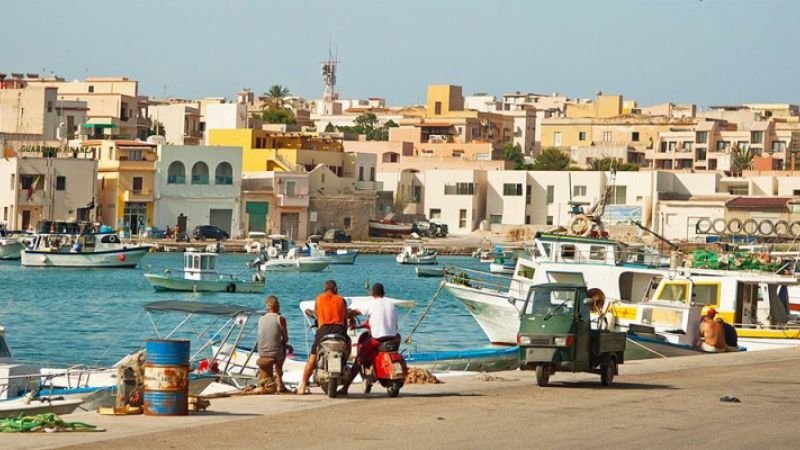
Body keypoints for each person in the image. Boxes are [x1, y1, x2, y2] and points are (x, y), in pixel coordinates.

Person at [339, 283, 399, 395]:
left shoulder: (372, 304)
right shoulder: (392, 306)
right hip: (393, 339)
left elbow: (355, 312)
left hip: (377, 340)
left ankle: (345, 388)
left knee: (358, 360)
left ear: (372, 293)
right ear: (384, 293)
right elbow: (396, 326)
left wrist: (349, 315)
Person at [297, 280, 349, 395]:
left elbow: (318, 314)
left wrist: (311, 313)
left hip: (323, 331)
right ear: (335, 288)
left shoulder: (319, 299)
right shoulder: (341, 300)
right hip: (339, 330)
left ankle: (303, 385)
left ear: (325, 289)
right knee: (347, 344)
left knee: (312, 358)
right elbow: (345, 316)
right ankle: (344, 362)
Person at [256, 295, 292, 394]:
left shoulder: (261, 319)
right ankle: (280, 382)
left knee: (277, 347)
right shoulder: (280, 318)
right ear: (277, 306)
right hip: (275, 353)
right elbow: (285, 339)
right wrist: (286, 345)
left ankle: (277, 382)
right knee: (282, 352)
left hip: (262, 351)